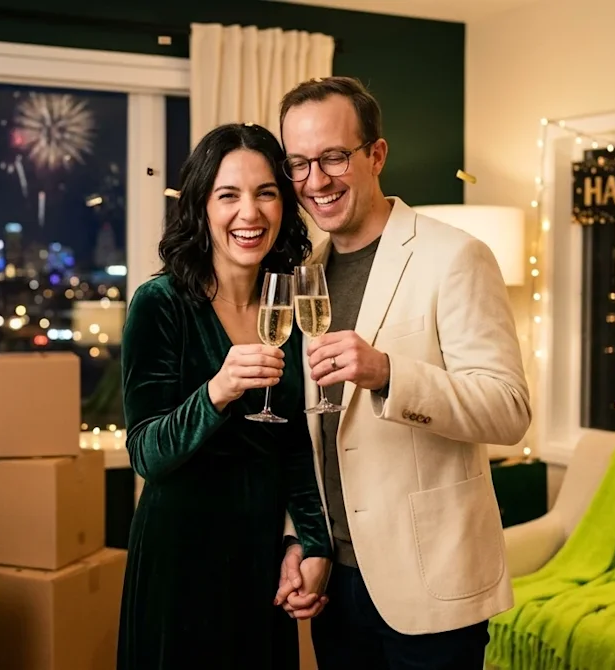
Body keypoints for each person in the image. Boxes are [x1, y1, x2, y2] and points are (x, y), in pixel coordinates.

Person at [273, 77, 532, 669]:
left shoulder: (456, 256)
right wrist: (299, 536)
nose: (316, 181)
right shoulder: (302, 274)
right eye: (299, 164)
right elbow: (308, 436)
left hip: (430, 581)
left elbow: (509, 409)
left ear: (376, 155)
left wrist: (388, 372)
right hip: (332, 582)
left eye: (334, 156)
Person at [117, 122, 333, 670]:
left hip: (260, 558)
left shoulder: (289, 304)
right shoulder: (160, 303)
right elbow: (147, 454)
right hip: (179, 556)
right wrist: (217, 390)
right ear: (201, 207)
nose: (250, 213)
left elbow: (294, 449)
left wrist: (310, 546)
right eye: (228, 195)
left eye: (266, 193)